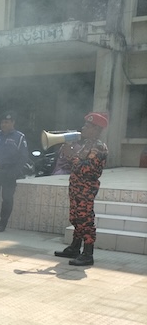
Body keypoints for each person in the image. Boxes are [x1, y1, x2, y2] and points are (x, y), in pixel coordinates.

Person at [53, 112, 109, 266]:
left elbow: (86, 169)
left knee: (86, 220)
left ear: (96, 129)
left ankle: (87, 254)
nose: (83, 128)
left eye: (87, 126)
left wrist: (72, 156)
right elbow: (75, 163)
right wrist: (67, 151)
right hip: (76, 187)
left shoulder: (99, 147)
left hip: (86, 189)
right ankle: (75, 247)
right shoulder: (86, 145)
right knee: (75, 218)